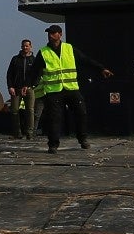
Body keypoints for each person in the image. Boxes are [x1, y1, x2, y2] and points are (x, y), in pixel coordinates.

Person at [33, 24, 110, 154]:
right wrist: (25, 85)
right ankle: (53, 145)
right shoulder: (43, 52)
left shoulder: (69, 49)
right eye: (49, 33)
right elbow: (34, 70)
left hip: (71, 88)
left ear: (60, 34)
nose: (50, 35)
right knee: (54, 118)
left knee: (81, 113)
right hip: (54, 91)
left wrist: (101, 68)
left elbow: (85, 60)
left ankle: (82, 139)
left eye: (53, 33)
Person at [6, 39, 37, 139]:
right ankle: (17, 132)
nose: (25, 48)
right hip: (16, 88)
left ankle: (30, 132)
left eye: (27, 46)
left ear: (30, 47)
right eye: (23, 46)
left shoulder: (34, 60)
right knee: (14, 110)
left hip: (29, 89)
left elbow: (36, 75)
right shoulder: (15, 59)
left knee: (30, 110)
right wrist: (10, 86)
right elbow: (9, 74)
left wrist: (30, 85)